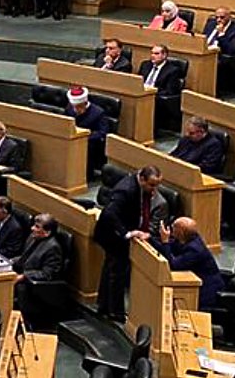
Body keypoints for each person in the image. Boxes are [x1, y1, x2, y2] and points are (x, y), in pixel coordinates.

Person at [96, 166, 169, 322]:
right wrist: (126, 233)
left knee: (110, 269)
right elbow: (110, 213)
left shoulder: (137, 185)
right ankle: (115, 312)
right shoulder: (126, 190)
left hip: (113, 233)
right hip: (113, 235)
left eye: (157, 185)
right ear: (142, 179)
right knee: (116, 273)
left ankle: (104, 307)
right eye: (152, 185)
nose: (155, 189)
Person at [154, 217, 223, 310]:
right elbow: (169, 247)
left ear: (181, 232)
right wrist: (149, 238)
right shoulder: (186, 238)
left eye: (174, 227)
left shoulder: (195, 249)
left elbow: (173, 266)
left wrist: (165, 242)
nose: (171, 228)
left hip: (205, 293)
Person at [11, 214, 67, 308]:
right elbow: (24, 258)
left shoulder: (53, 248)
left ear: (47, 232)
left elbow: (47, 274)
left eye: (37, 227)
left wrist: (24, 276)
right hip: (22, 274)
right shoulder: (32, 238)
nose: (32, 228)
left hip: (35, 286)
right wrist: (8, 261)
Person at [67, 86, 114, 173]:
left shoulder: (98, 113)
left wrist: (84, 136)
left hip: (89, 142)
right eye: (74, 107)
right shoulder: (70, 109)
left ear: (85, 103)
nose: (75, 110)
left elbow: (103, 133)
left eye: (78, 107)